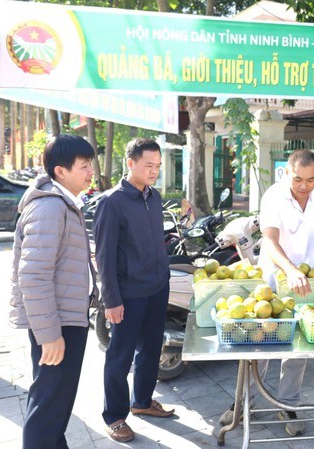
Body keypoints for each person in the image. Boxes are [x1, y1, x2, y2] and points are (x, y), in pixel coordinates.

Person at [219, 149, 314, 436]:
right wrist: (290, 270)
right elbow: (270, 241)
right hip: (273, 280)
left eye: (310, 180)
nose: (304, 186)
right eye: (298, 179)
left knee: (299, 348)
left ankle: (288, 403)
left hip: (306, 281)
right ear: (287, 172)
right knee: (259, 344)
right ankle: (243, 402)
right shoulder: (273, 195)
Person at [9, 134, 97, 448]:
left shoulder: (64, 204)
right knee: (48, 406)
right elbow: (32, 275)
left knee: (57, 404)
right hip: (57, 324)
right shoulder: (49, 208)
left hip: (67, 318)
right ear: (61, 171)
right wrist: (49, 334)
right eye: (84, 166)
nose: (91, 173)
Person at [94, 138, 173, 443]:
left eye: (158, 166)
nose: (154, 171)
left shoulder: (153, 197)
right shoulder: (112, 202)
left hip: (156, 288)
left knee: (152, 349)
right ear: (131, 163)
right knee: (120, 355)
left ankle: (142, 402)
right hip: (128, 294)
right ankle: (114, 417)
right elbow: (105, 257)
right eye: (148, 165)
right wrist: (111, 300)